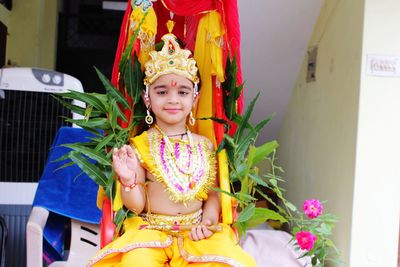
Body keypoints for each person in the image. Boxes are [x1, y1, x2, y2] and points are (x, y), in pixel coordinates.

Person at [87, 32, 256, 267]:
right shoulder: (139, 145)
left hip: (196, 232)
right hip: (150, 232)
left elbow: (215, 192)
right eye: (162, 92)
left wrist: (206, 222)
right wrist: (127, 180)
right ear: (147, 99)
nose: (173, 99)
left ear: (194, 99)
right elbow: (136, 206)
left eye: (183, 92)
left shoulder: (205, 144)